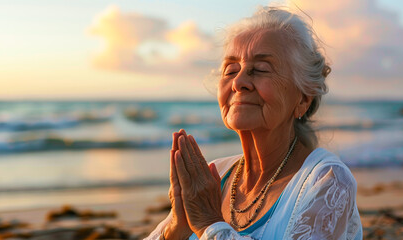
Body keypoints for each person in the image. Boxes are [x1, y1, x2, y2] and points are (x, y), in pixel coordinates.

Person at [146, 5, 362, 240]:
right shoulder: (213, 176)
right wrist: (177, 227)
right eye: (230, 70)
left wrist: (209, 222)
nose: (239, 82)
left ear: (302, 99)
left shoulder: (327, 180)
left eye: (260, 69)